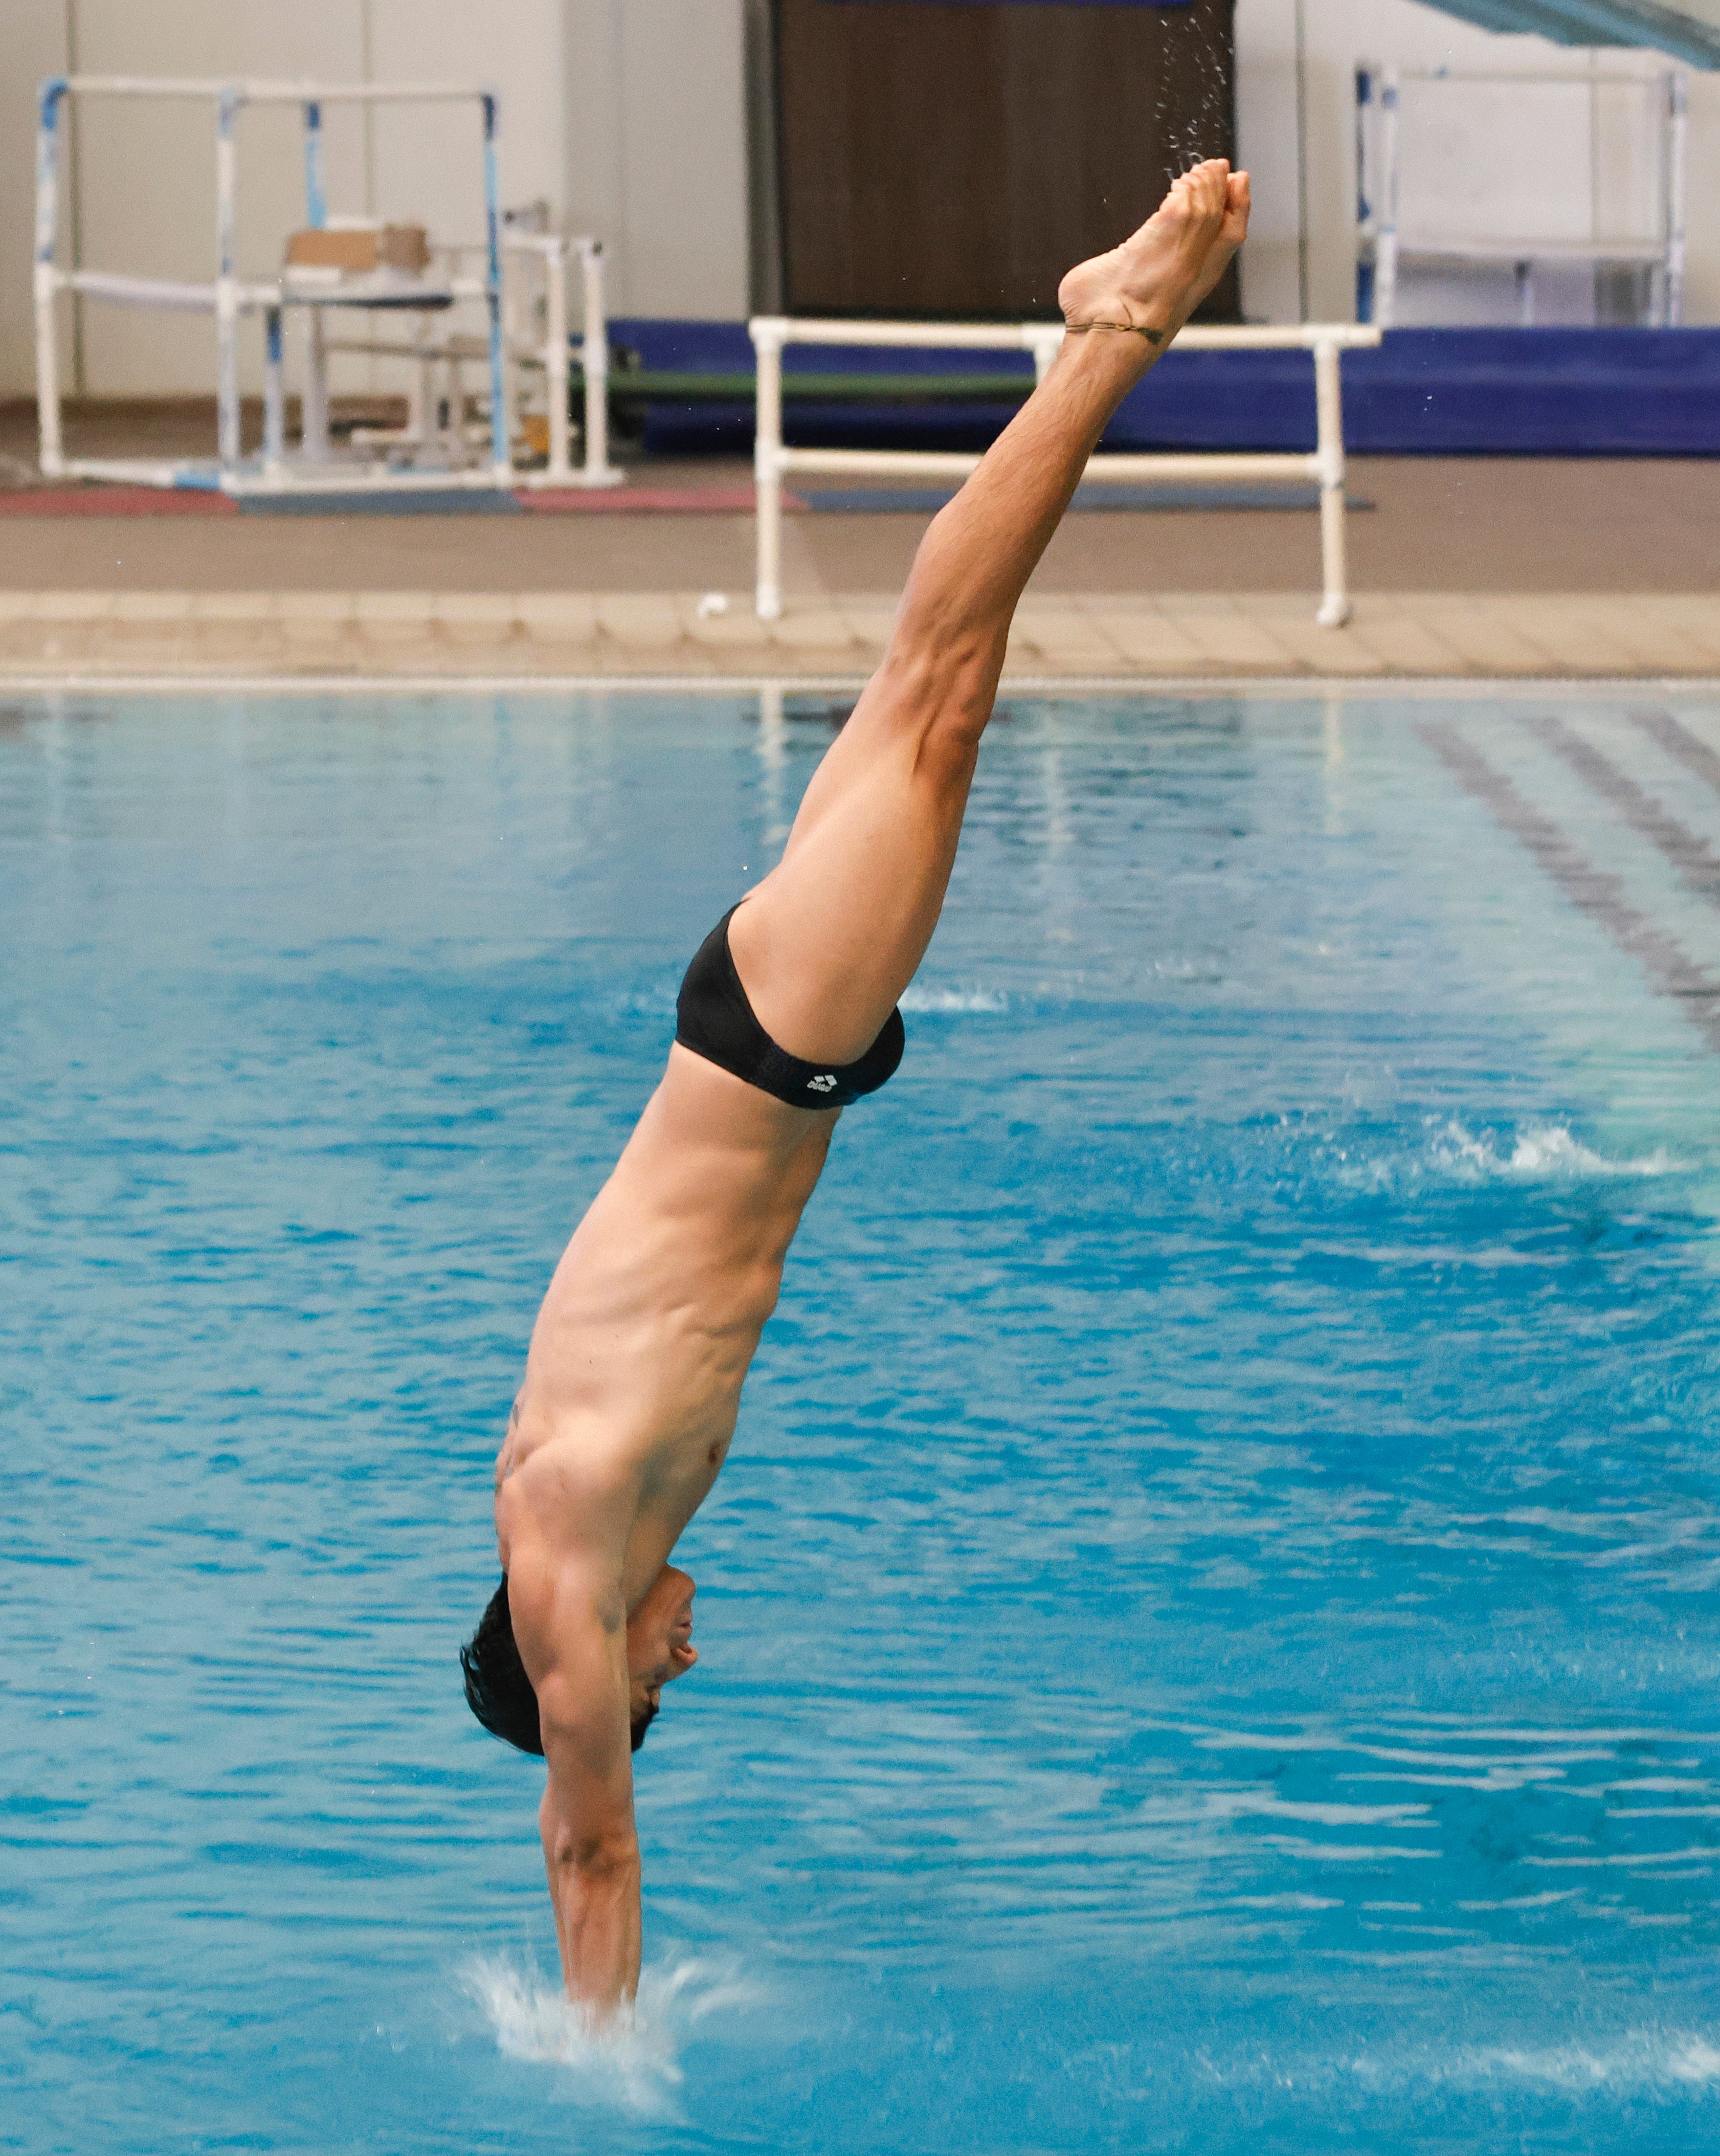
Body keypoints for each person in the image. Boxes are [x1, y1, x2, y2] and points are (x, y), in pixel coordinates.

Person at [459, 161, 1255, 2018]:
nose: (679, 1659)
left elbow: (587, 1838)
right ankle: (1096, 339)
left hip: (765, 1046)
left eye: (647, 1685)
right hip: (769, 1048)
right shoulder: (592, 1521)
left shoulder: (566, 1548)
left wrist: (604, 2051)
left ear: (572, 1665)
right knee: (934, 694)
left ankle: (1106, 328)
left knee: (944, 686)